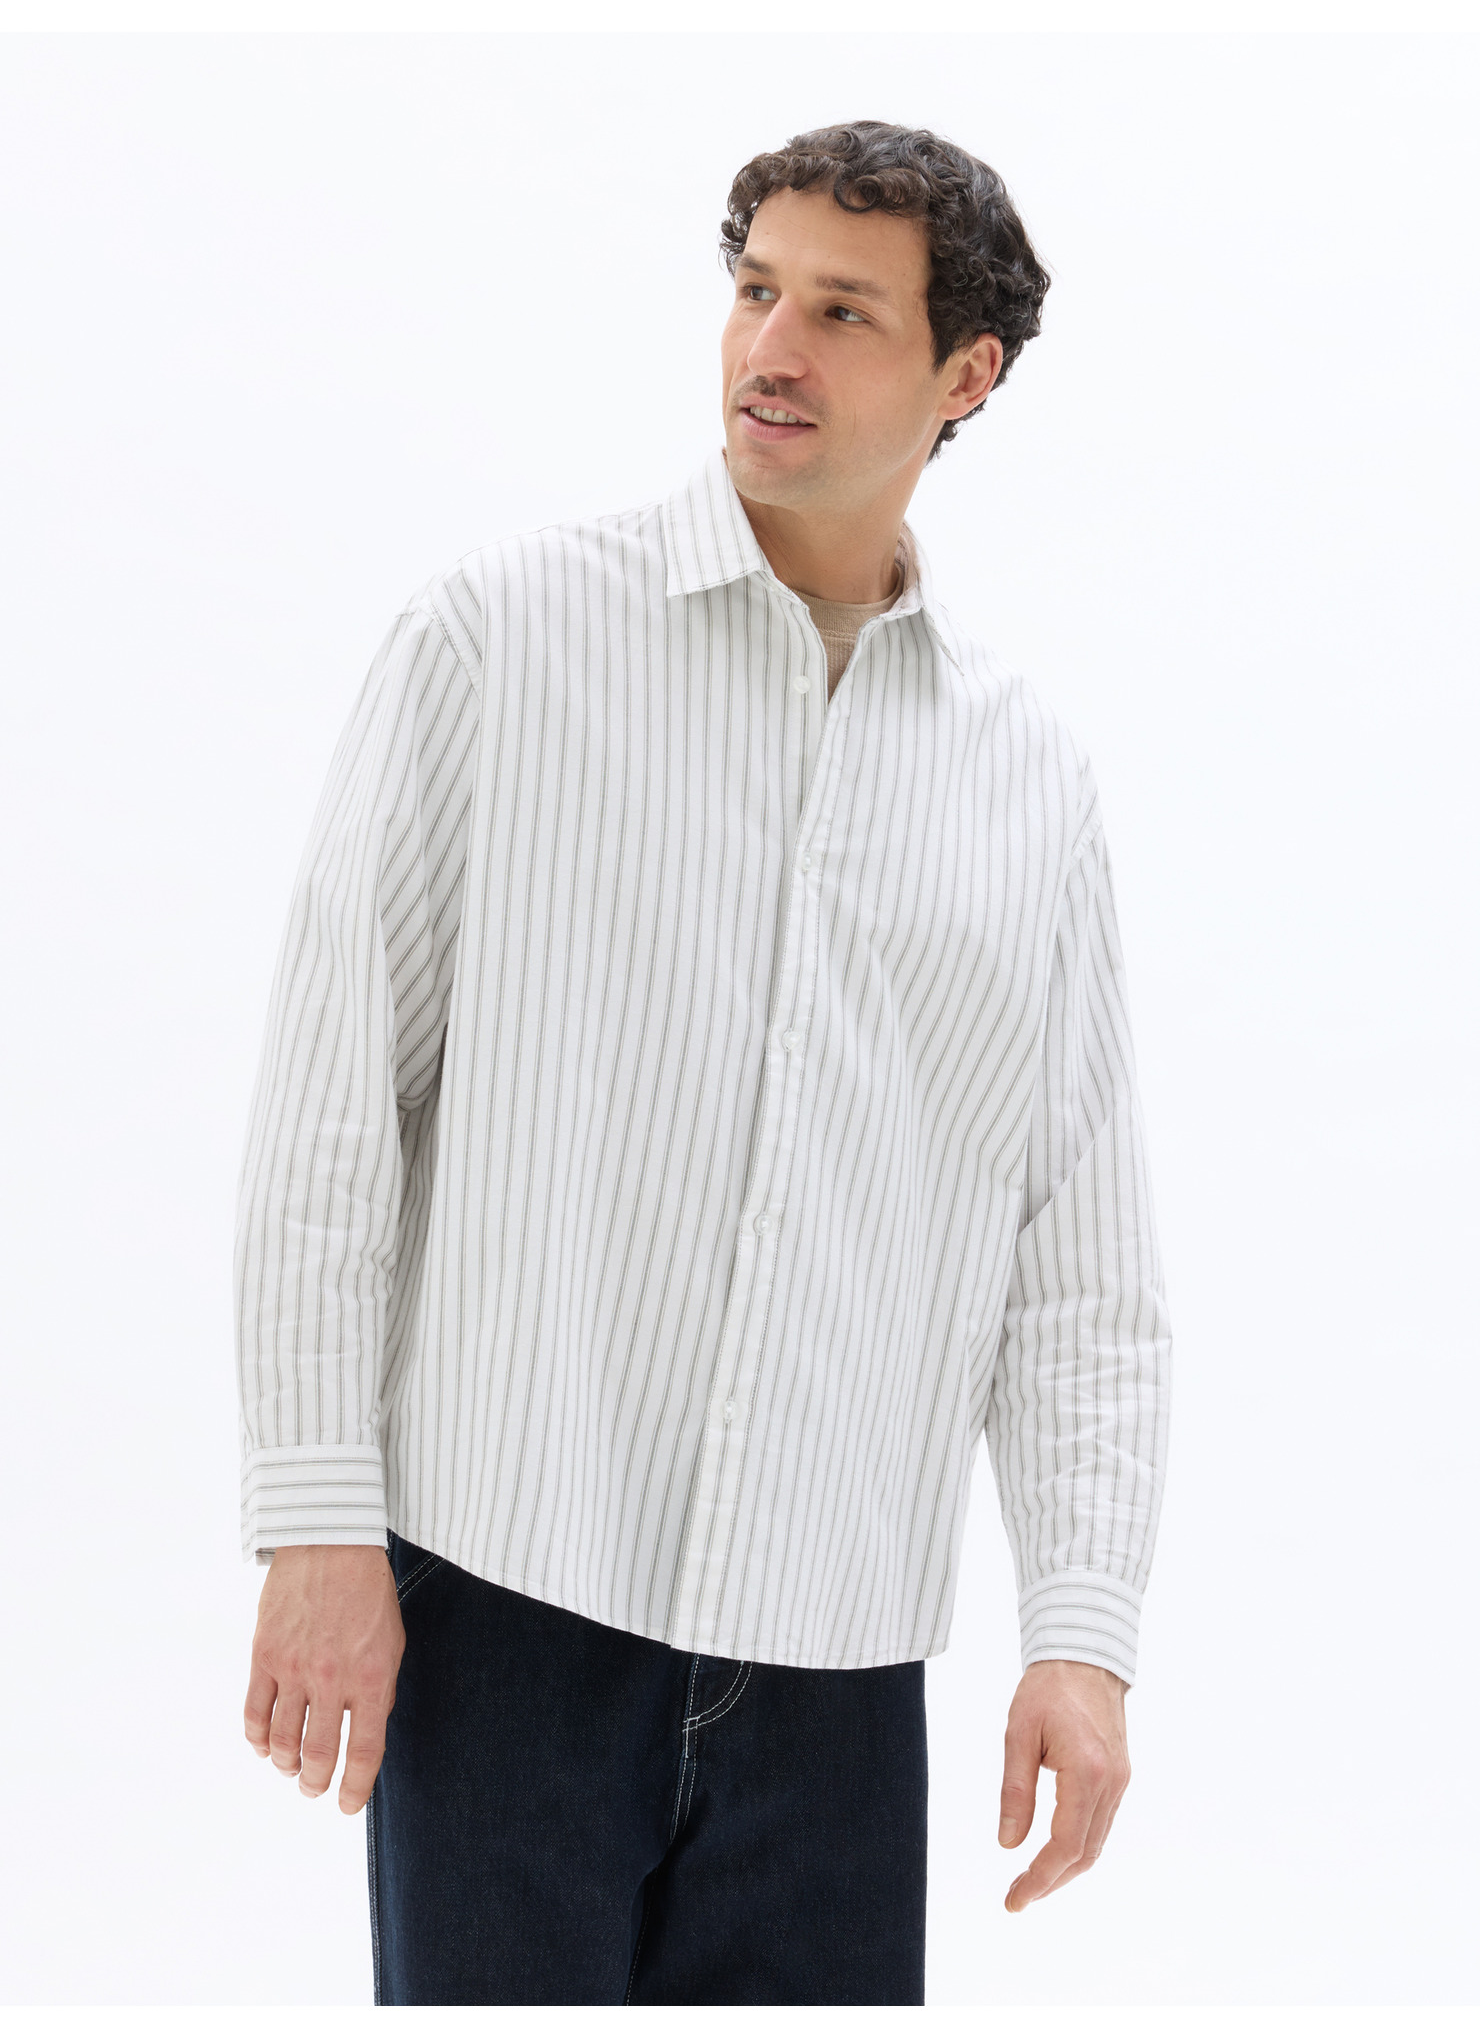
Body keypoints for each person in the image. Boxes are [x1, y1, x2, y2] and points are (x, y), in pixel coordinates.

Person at [234, 118, 1171, 2007]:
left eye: (844, 311)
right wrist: (317, 1525)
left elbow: (1075, 1263)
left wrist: (1081, 1633)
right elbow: (333, 1111)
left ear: (967, 375)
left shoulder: (1026, 781)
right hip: (506, 1598)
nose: (772, 349)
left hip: (840, 1666)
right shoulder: (502, 642)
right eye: (756, 291)